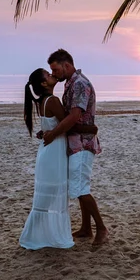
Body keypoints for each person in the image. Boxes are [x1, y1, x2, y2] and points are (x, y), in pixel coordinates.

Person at [20, 68, 98, 250]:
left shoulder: (43, 102)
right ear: (43, 84)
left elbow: (52, 125)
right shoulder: (53, 101)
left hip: (48, 151)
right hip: (54, 152)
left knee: (47, 196)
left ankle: (40, 232)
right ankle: (48, 235)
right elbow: (68, 124)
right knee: (55, 193)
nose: (52, 75)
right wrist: (90, 129)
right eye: (48, 75)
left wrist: (47, 132)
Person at [43, 49, 109, 246]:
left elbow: (73, 116)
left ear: (67, 65)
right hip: (75, 142)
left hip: (83, 142)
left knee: (80, 188)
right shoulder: (71, 84)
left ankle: (102, 229)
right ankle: (86, 228)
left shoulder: (79, 84)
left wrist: (54, 134)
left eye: (55, 69)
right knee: (79, 186)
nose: (54, 74)